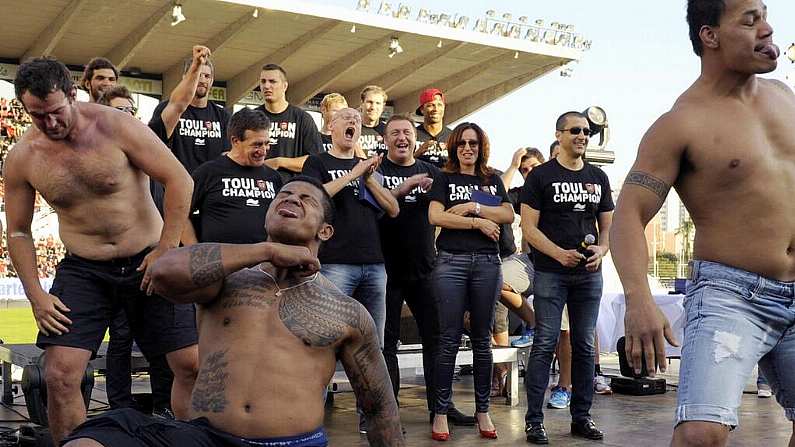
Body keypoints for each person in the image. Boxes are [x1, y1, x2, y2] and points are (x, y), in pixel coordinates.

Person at [62, 176, 405, 447]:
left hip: (290, 444)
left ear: (325, 231)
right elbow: (161, 271)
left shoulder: (346, 312)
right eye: (283, 195)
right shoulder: (227, 280)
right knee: (95, 435)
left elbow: (379, 408)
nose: (290, 199)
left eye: (306, 199)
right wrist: (266, 251)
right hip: (206, 438)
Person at [610, 1, 795, 446]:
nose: (766, 29)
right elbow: (628, 215)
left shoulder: (785, 96)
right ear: (709, 36)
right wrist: (639, 299)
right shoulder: (679, 124)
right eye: (750, 21)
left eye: (765, 17)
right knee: (700, 434)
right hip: (732, 295)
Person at [4, 58, 197, 444]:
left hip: (147, 259)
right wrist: (36, 295)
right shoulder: (23, 156)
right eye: (38, 116)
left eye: (56, 112)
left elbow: (179, 179)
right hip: (85, 269)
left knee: (188, 365)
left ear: (72, 95)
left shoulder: (117, 126)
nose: (51, 123)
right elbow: (20, 232)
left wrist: (166, 247)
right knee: (59, 374)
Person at [302, 107, 398, 434]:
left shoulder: (368, 168)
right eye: (347, 119)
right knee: (325, 339)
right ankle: (308, 413)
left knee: (374, 346)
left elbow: (392, 208)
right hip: (335, 263)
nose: (354, 123)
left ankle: (370, 419)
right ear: (331, 126)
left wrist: (368, 176)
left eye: (357, 121)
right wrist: (355, 173)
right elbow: (316, 196)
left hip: (374, 264)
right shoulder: (318, 162)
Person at [377, 114, 476, 428]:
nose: (402, 138)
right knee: (385, 344)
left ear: (414, 139)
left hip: (425, 268)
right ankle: (389, 413)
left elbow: (466, 196)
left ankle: (441, 408)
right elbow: (371, 212)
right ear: (385, 140)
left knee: (438, 339)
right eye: (395, 133)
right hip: (385, 270)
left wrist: (472, 208)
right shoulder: (375, 171)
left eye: (407, 132)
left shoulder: (433, 172)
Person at [521, 111, 613, 444]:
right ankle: (534, 421)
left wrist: (602, 250)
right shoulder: (540, 176)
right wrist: (558, 254)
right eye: (575, 130)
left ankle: (582, 417)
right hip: (551, 274)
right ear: (559, 135)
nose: (582, 135)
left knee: (585, 346)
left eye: (587, 131)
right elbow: (528, 228)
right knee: (544, 344)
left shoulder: (598, 177)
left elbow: (607, 229)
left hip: (588, 276)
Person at [428, 122, 514, 441]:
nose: (467, 148)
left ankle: (483, 410)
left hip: (488, 264)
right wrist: (477, 222)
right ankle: (440, 412)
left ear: (481, 147)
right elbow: (436, 217)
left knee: (482, 338)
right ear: (454, 147)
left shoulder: (491, 180)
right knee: (448, 339)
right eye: (462, 143)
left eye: (473, 143)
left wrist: (472, 206)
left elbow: (508, 215)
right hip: (451, 261)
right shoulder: (444, 177)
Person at [96, 86, 178, 417]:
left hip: (155, 260)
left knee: (163, 341)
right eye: (118, 110)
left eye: (130, 110)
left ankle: (164, 406)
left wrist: (166, 248)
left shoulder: (150, 149)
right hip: (116, 266)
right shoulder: (97, 161)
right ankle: (120, 407)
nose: (127, 116)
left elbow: (177, 105)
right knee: (120, 339)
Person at [182, 108, 282, 245]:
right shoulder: (208, 172)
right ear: (235, 141)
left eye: (267, 143)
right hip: (219, 262)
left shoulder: (274, 178)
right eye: (257, 144)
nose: (264, 151)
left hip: (263, 263)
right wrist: (194, 251)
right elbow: (180, 213)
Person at [149, 46, 230, 175]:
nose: (202, 80)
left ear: (212, 80)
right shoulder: (168, 108)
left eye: (207, 76)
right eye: (198, 75)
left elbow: (228, 155)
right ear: (185, 78)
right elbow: (155, 145)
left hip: (209, 187)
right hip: (177, 183)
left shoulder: (223, 116)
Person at [256, 64, 323, 181]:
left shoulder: (302, 118)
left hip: (291, 191)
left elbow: (316, 161)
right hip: (259, 188)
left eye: (272, 81)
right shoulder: (252, 118)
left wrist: (279, 162)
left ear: (285, 86)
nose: (266, 86)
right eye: (263, 81)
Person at [414, 88, 452, 168]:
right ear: (422, 110)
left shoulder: (453, 137)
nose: (436, 109)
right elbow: (402, 165)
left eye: (439, 105)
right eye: (430, 105)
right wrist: (417, 154)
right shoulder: (412, 135)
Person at [358, 85, 388, 158]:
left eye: (378, 103)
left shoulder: (389, 131)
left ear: (383, 106)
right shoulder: (351, 129)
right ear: (362, 103)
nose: (373, 107)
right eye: (369, 102)